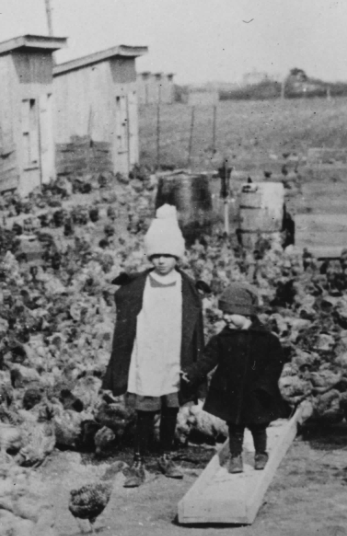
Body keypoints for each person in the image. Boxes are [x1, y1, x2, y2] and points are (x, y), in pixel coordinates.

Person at [103, 204, 206, 487]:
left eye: (167, 255)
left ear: (176, 256)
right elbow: (123, 300)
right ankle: (138, 460)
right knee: (146, 409)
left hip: (173, 354)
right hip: (146, 353)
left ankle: (165, 455)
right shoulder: (141, 284)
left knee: (171, 407)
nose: (161, 261)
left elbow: (193, 322)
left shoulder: (184, 285)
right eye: (156, 255)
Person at [181, 284, 293, 474]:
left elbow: (275, 362)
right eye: (224, 312)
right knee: (235, 426)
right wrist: (191, 372)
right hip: (232, 390)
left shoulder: (266, 339)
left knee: (259, 425)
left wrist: (266, 383)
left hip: (257, 390)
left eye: (231, 313)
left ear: (246, 313)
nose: (225, 317)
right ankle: (235, 456)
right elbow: (207, 360)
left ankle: (260, 453)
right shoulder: (222, 339)